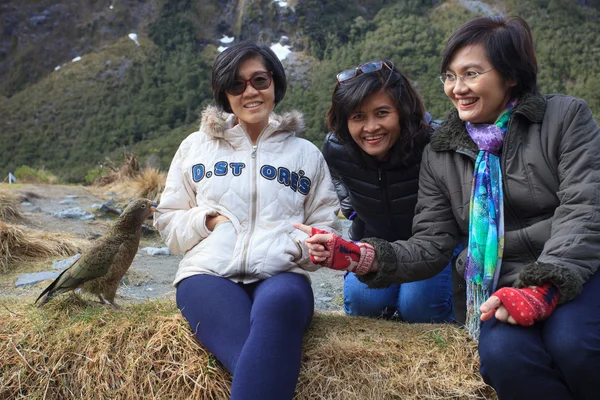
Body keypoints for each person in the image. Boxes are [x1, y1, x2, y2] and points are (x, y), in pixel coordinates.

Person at [295, 16, 600, 400]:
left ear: (510, 75)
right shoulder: (443, 152)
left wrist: (543, 287)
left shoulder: (564, 118)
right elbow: (431, 243)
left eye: (470, 73)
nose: (457, 88)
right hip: (500, 285)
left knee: (574, 343)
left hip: (576, 271)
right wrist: (359, 256)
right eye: (450, 76)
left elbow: (585, 209)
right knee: (504, 359)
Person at [154, 41, 341, 400]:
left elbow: (326, 227)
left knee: (280, 307)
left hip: (281, 273)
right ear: (225, 93)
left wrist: (305, 246)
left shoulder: (306, 154)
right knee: (264, 360)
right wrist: (208, 222)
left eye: (259, 80)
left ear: (275, 83)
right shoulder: (195, 147)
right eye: (237, 85)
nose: (250, 92)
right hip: (207, 274)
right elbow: (169, 222)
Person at [322, 60, 460, 323]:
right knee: (364, 306)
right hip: (374, 243)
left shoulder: (434, 143)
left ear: (403, 111)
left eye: (382, 113)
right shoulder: (337, 148)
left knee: (419, 309)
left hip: (432, 245)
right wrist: (352, 214)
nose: (371, 128)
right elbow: (340, 181)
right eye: (358, 117)